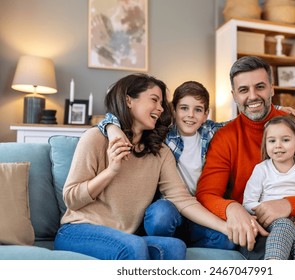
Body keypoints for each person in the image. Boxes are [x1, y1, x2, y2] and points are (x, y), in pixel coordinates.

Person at [98, 80, 295, 249]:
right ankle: (165, 245)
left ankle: (184, 243)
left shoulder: (211, 131)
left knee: (229, 241)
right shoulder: (161, 134)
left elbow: (246, 120)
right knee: (160, 215)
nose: (190, 115)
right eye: (184, 108)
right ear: (174, 110)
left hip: (202, 210)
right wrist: (111, 127)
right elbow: (113, 117)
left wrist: (278, 110)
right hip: (171, 208)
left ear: (206, 114)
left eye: (198, 110)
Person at [54, 73, 231, 260]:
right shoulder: (96, 139)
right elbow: (71, 199)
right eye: (154, 100)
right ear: (129, 101)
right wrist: (111, 171)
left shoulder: (160, 151)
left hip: (126, 237)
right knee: (134, 247)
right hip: (79, 231)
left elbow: (182, 200)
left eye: (162, 104)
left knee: (175, 247)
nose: (160, 109)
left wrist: (226, 227)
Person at [196, 55, 295, 260]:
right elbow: (206, 194)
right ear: (234, 95)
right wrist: (232, 207)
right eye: (244, 90)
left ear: (272, 88)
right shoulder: (225, 137)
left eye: (260, 87)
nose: (253, 96)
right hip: (260, 223)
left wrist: (288, 204)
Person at [243, 115, 295, 260]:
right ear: (266, 145)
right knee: (284, 225)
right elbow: (248, 203)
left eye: (285, 140)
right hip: (274, 221)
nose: (278, 145)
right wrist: (268, 209)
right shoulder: (261, 169)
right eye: (272, 141)